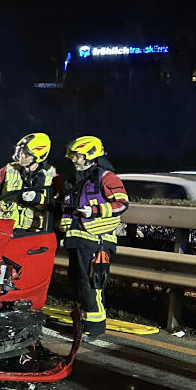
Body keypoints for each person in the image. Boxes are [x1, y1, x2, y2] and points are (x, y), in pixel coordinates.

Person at [58, 136, 129, 339]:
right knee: (79, 283)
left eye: (77, 156)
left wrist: (94, 210)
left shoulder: (106, 178)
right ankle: (83, 323)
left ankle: (95, 328)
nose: (73, 159)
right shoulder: (74, 180)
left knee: (92, 284)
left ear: (90, 155)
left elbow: (122, 204)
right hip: (77, 240)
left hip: (97, 240)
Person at [0, 132, 58, 231]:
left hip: (34, 233)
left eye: (27, 155)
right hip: (6, 230)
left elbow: (56, 208)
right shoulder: (8, 170)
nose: (21, 156)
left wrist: (36, 198)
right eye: (21, 151)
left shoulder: (53, 177)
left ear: (39, 157)